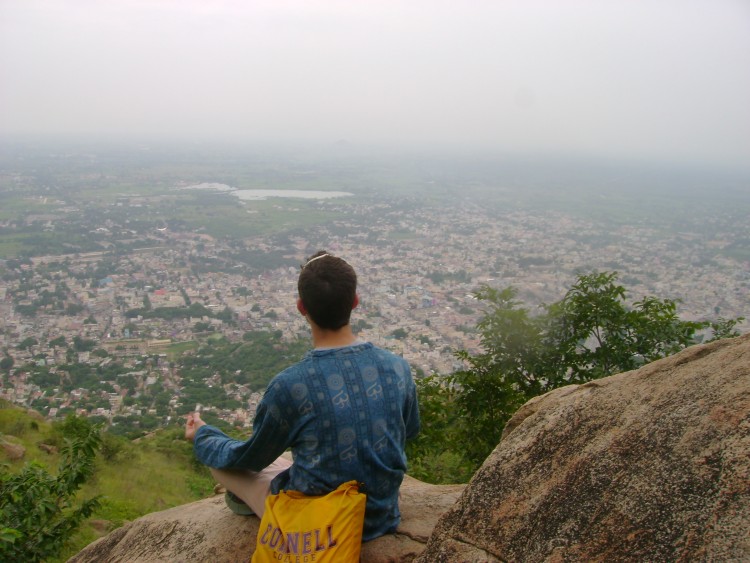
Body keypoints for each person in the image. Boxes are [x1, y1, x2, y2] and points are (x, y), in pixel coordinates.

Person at [185, 250, 420, 541]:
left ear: (301, 307)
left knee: (218, 460)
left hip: (320, 526)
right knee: (282, 460)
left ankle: (257, 507)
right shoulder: (397, 368)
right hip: (381, 515)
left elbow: (250, 458)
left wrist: (204, 436)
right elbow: (408, 431)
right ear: (355, 302)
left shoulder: (291, 385)